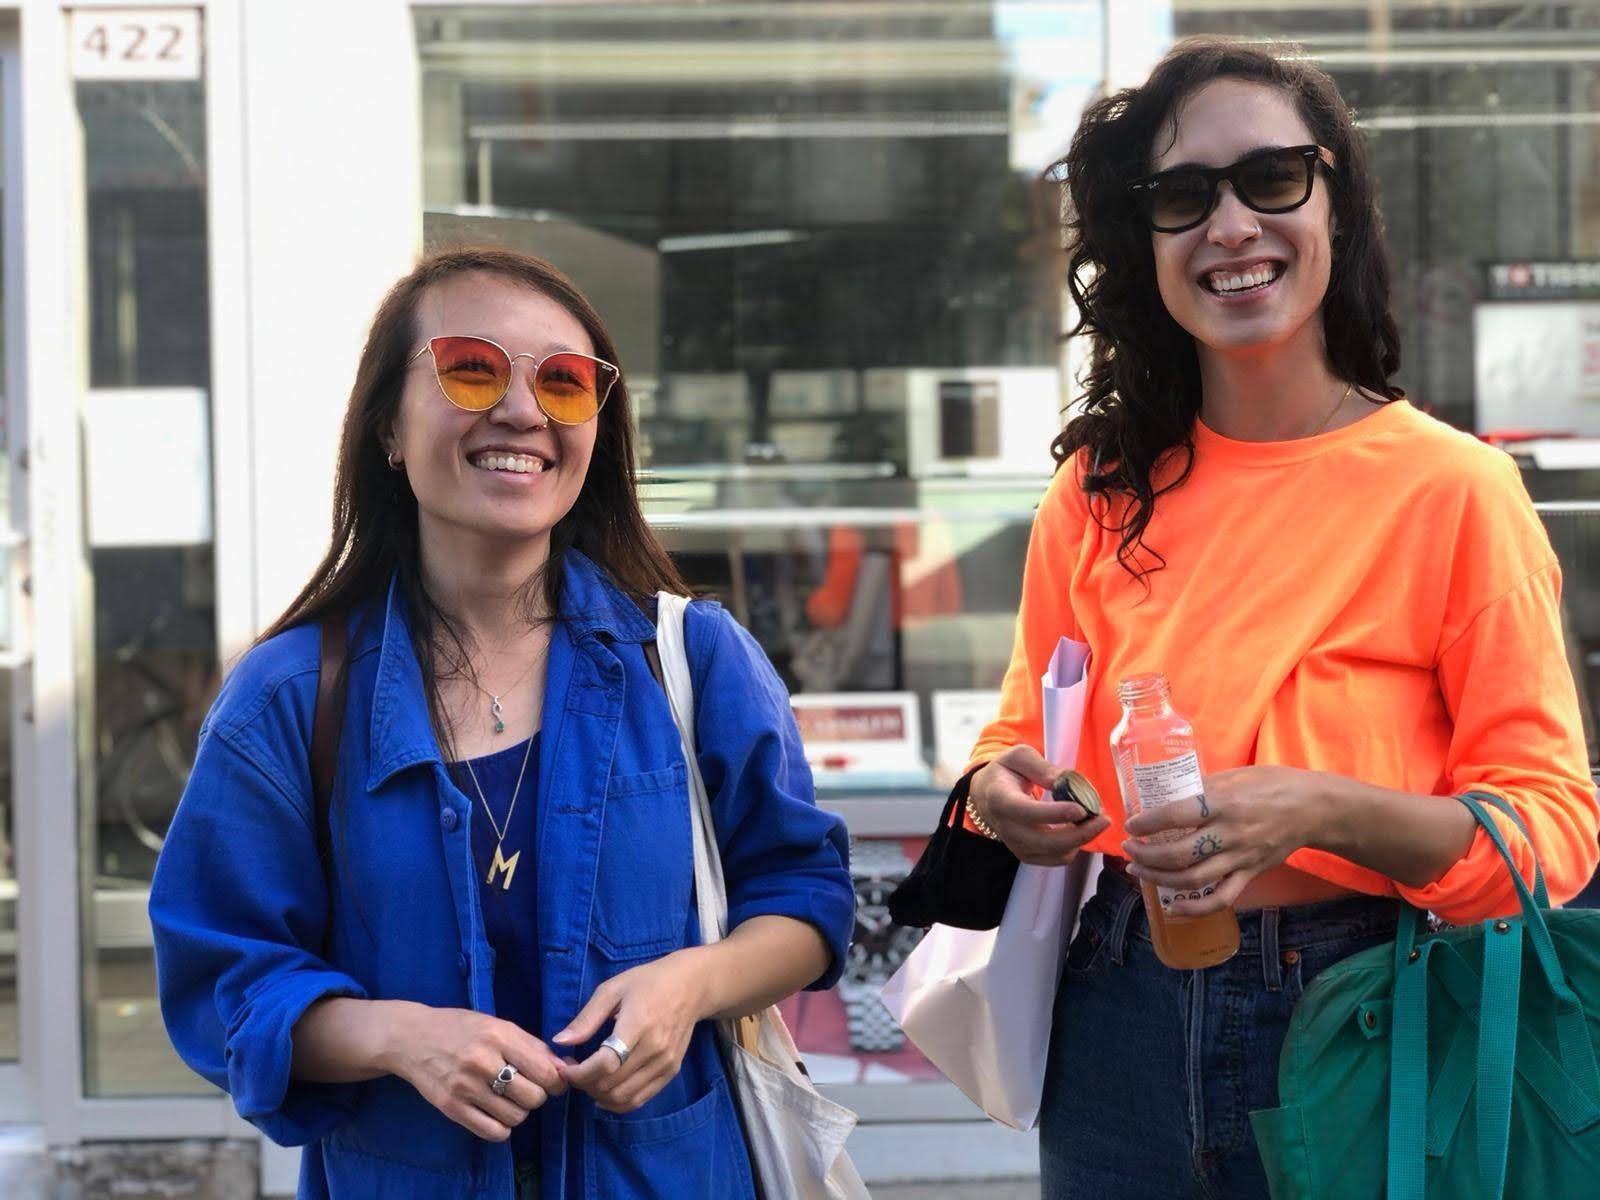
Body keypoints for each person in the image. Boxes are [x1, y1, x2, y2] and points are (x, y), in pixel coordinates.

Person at [959, 38, 1600, 1200]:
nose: (1231, 225)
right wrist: (1006, 792)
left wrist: (1325, 809)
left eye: (1272, 179)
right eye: (1181, 196)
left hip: (1366, 1004)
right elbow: (1018, 729)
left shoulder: (1452, 489)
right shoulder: (1102, 487)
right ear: (1142, 241)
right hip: (1114, 1002)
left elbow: (1548, 831)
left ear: (1336, 206)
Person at [148, 247, 854, 1199]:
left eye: (564, 385)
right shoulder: (287, 699)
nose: (523, 410)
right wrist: (401, 1039)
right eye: (472, 368)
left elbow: (807, 899)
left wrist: (689, 986)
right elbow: (223, 981)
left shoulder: (691, 659)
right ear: (390, 427)